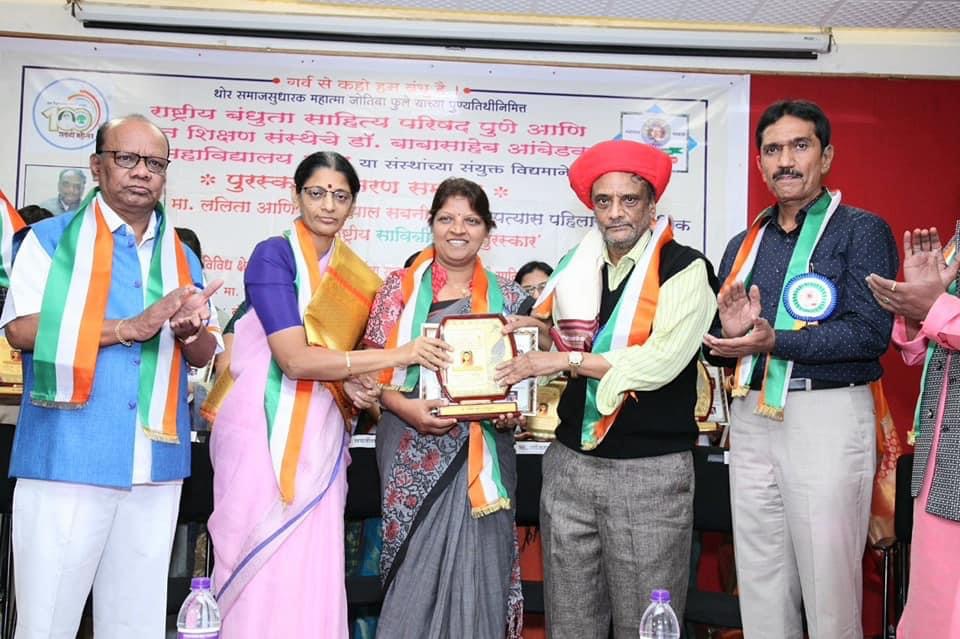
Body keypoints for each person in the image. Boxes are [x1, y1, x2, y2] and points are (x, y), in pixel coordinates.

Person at [207, 151, 450, 638]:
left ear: (353, 205)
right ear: (297, 195)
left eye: (340, 196)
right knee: (254, 555)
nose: (328, 205)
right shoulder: (272, 255)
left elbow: (337, 363)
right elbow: (295, 360)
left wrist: (357, 383)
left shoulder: (355, 276)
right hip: (259, 431)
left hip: (320, 434)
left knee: (311, 562)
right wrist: (397, 356)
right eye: (316, 193)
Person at [1, 114, 221, 638]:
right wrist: (129, 328)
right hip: (68, 455)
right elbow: (21, 329)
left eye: (155, 163)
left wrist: (190, 332)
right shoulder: (47, 240)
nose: (142, 172)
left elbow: (203, 351)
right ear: (97, 166)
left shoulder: (182, 256)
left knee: (135, 624)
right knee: (47, 623)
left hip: (155, 462)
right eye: (127, 158)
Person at [496, 139, 718, 637]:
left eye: (629, 199)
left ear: (652, 204)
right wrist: (528, 336)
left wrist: (566, 359)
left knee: (646, 624)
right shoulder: (576, 265)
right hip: (570, 466)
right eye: (604, 200)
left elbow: (659, 362)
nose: (616, 212)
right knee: (570, 621)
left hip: (649, 472)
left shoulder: (685, 267)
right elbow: (557, 340)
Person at [702, 99, 899, 639]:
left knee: (829, 588)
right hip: (751, 416)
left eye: (800, 146)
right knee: (760, 580)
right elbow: (724, 344)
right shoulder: (743, 244)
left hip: (826, 414)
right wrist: (729, 336)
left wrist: (777, 340)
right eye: (773, 150)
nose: (785, 161)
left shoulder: (861, 231)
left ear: (826, 156)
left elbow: (869, 334)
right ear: (760, 163)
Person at [362, 177, 529, 638]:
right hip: (409, 448)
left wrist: (509, 413)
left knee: (480, 572)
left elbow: (521, 383)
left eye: (471, 220)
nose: (458, 230)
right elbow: (372, 374)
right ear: (431, 223)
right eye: (447, 218)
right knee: (413, 574)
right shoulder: (397, 290)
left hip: (484, 455)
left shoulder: (511, 300)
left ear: (487, 230)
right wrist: (406, 409)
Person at [865, 223, 960, 637]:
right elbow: (921, 352)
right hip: (941, 458)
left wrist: (935, 307)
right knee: (932, 606)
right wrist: (916, 308)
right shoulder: (957, 242)